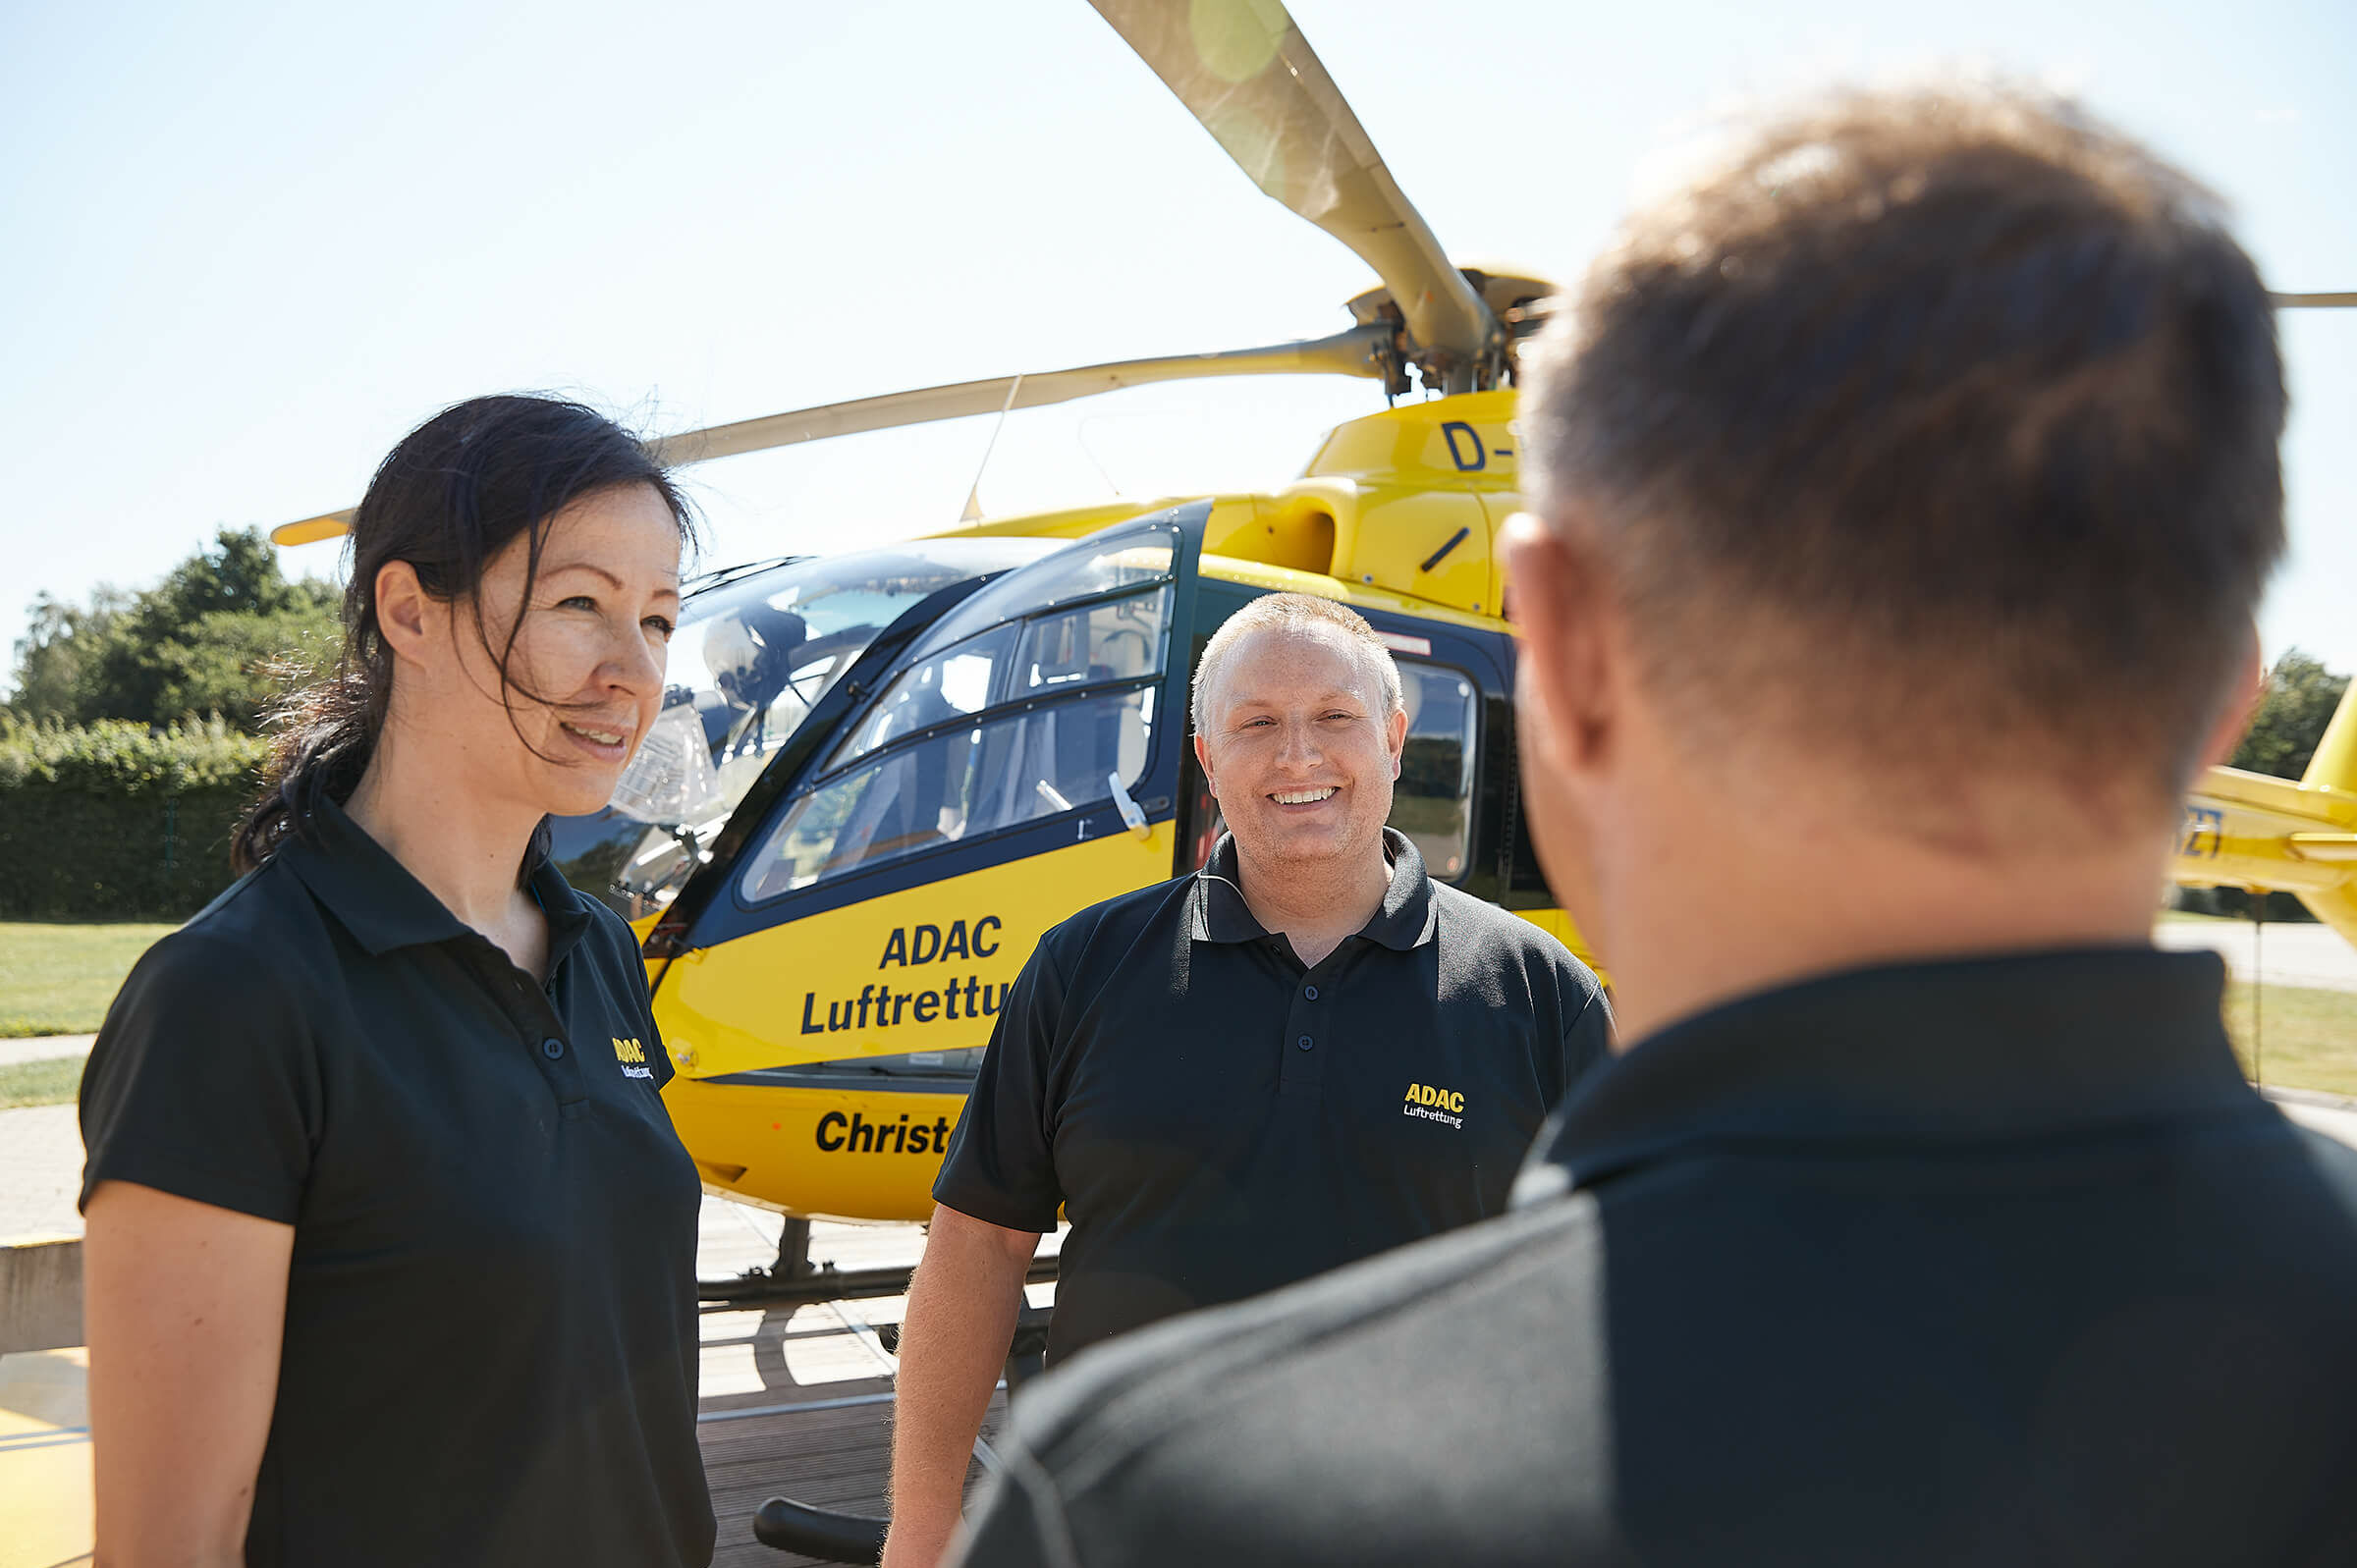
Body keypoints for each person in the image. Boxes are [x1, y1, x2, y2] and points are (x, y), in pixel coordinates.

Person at [950, 86, 2357, 1567]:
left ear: (1559, 646)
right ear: (2226, 696)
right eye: (1256, 729)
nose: (1300, 761)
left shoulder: (1162, 1499)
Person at [78, 395, 718, 1568]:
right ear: (409, 610)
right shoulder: (231, 998)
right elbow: (168, 1545)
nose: (632, 672)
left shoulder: (604, 958)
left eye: (661, 620)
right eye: (580, 604)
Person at [883, 592, 1611, 1567]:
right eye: (1257, 723)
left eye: (1335, 718)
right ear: (1208, 759)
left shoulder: (1542, 994)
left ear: (1394, 739)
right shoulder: (1082, 968)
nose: (1299, 756)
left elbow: (1622, 1285)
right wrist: (922, 1527)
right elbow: (978, 1242)